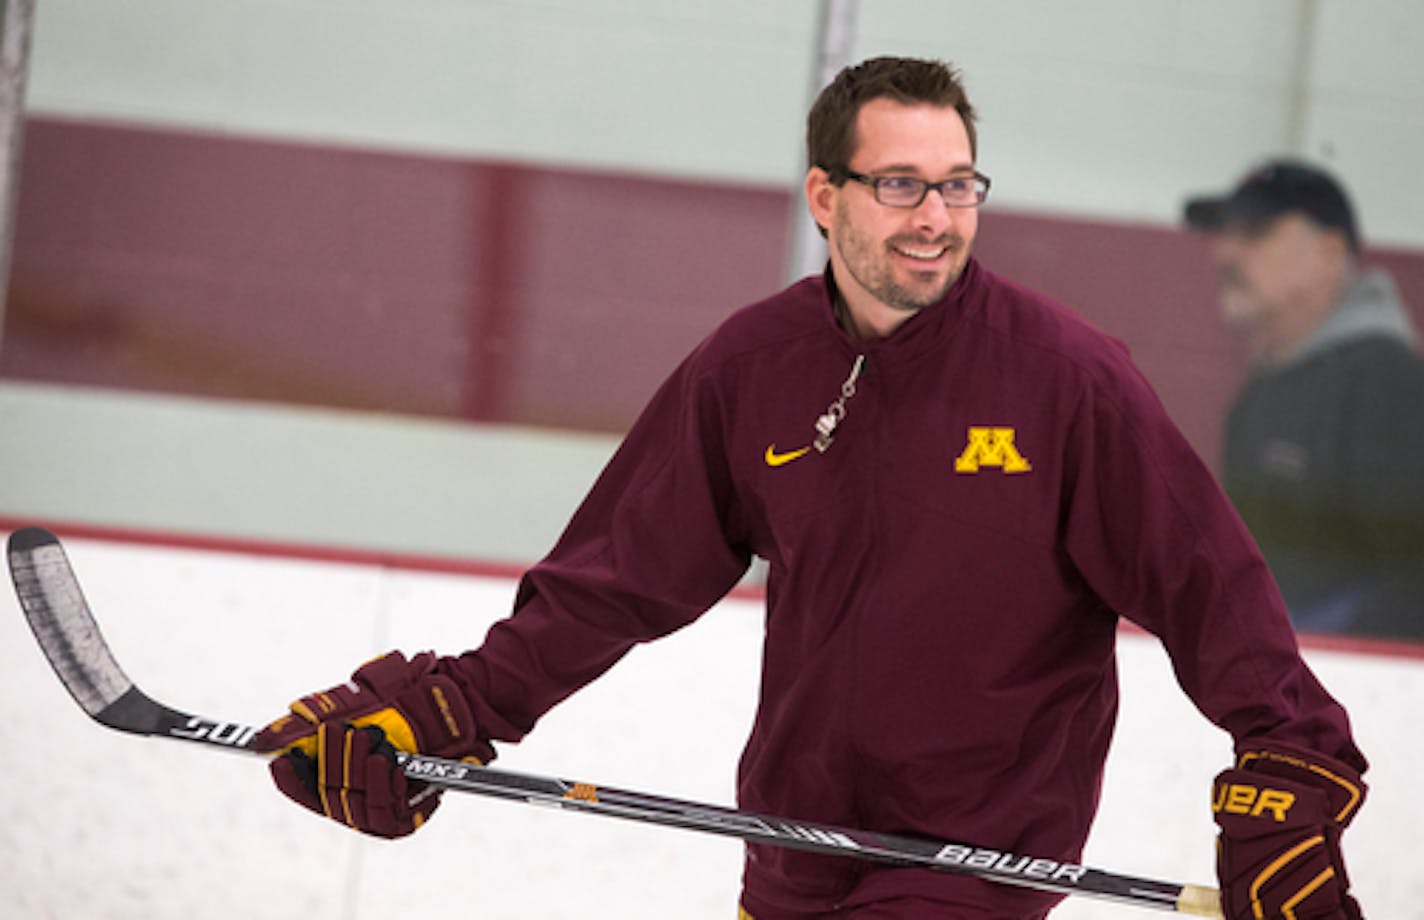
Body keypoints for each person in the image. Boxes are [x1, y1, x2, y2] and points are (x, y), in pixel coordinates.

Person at [254, 59, 1368, 919]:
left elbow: (1202, 583)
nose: (935, 216)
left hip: (966, 866)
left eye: (956, 185)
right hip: (790, 851)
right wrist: (452, 709)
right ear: (824, 197)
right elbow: (612, 581)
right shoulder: (754, 367)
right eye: (899, 186)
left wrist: (1291, 757)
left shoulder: (1064, 380)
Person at [1184, 160, 1424, 640]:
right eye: (1224, 234)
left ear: (1329, 253)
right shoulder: (1263, 389)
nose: (1224, 253)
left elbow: (1412, 578)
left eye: (1254, 232)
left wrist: (1318, 648)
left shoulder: (1388, 382)